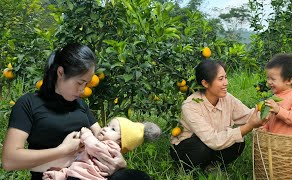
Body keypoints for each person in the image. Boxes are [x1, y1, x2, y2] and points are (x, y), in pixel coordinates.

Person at [1, 43, 149, 180]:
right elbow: (10, 160)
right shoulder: (28, 104)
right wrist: (62, 150)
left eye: (86, 83)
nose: (83, 90)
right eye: (80, 82)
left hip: (90, 173)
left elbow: (101, 138)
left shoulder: (80, 104)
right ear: (60, 72)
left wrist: (119, 161)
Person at [170, 59, 265, 171]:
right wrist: (249, 127)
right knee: (202, 147)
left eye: (225, 77)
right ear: (205, 83)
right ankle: (189, 169)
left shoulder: (227, 98)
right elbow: (212, 140)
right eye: (221, 79)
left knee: (238, 141)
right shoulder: (190, 105)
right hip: (189, 148)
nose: (226, 82)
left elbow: (248, 115)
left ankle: (212, 167)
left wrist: (269, 111)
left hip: (212, 144)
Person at [30, 117, 161, 180]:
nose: (105, 128)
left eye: (113, 129)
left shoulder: (110, 148)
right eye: (108, 125)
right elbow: (80, 164)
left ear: (120, 141)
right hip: (77, 174)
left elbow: (94, 146)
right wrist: (61, 173)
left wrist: (86, 135)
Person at [262, 53, 292, 135]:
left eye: (273, 79)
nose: (269, 82)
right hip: (273, 140)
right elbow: (271, 119)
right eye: (268, 78)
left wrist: (279, 110)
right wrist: (265, 127)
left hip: (289, 143)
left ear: (289, 80)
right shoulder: (275, 97)